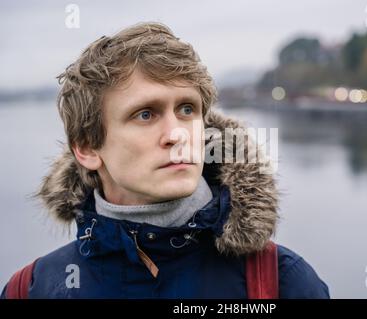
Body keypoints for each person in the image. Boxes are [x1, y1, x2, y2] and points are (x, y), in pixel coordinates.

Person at [1, 22, 329, 299]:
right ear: (87, 149)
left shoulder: (279, 283)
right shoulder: (31, 289)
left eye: (187, 109)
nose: (176, 134)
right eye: (145, 114)